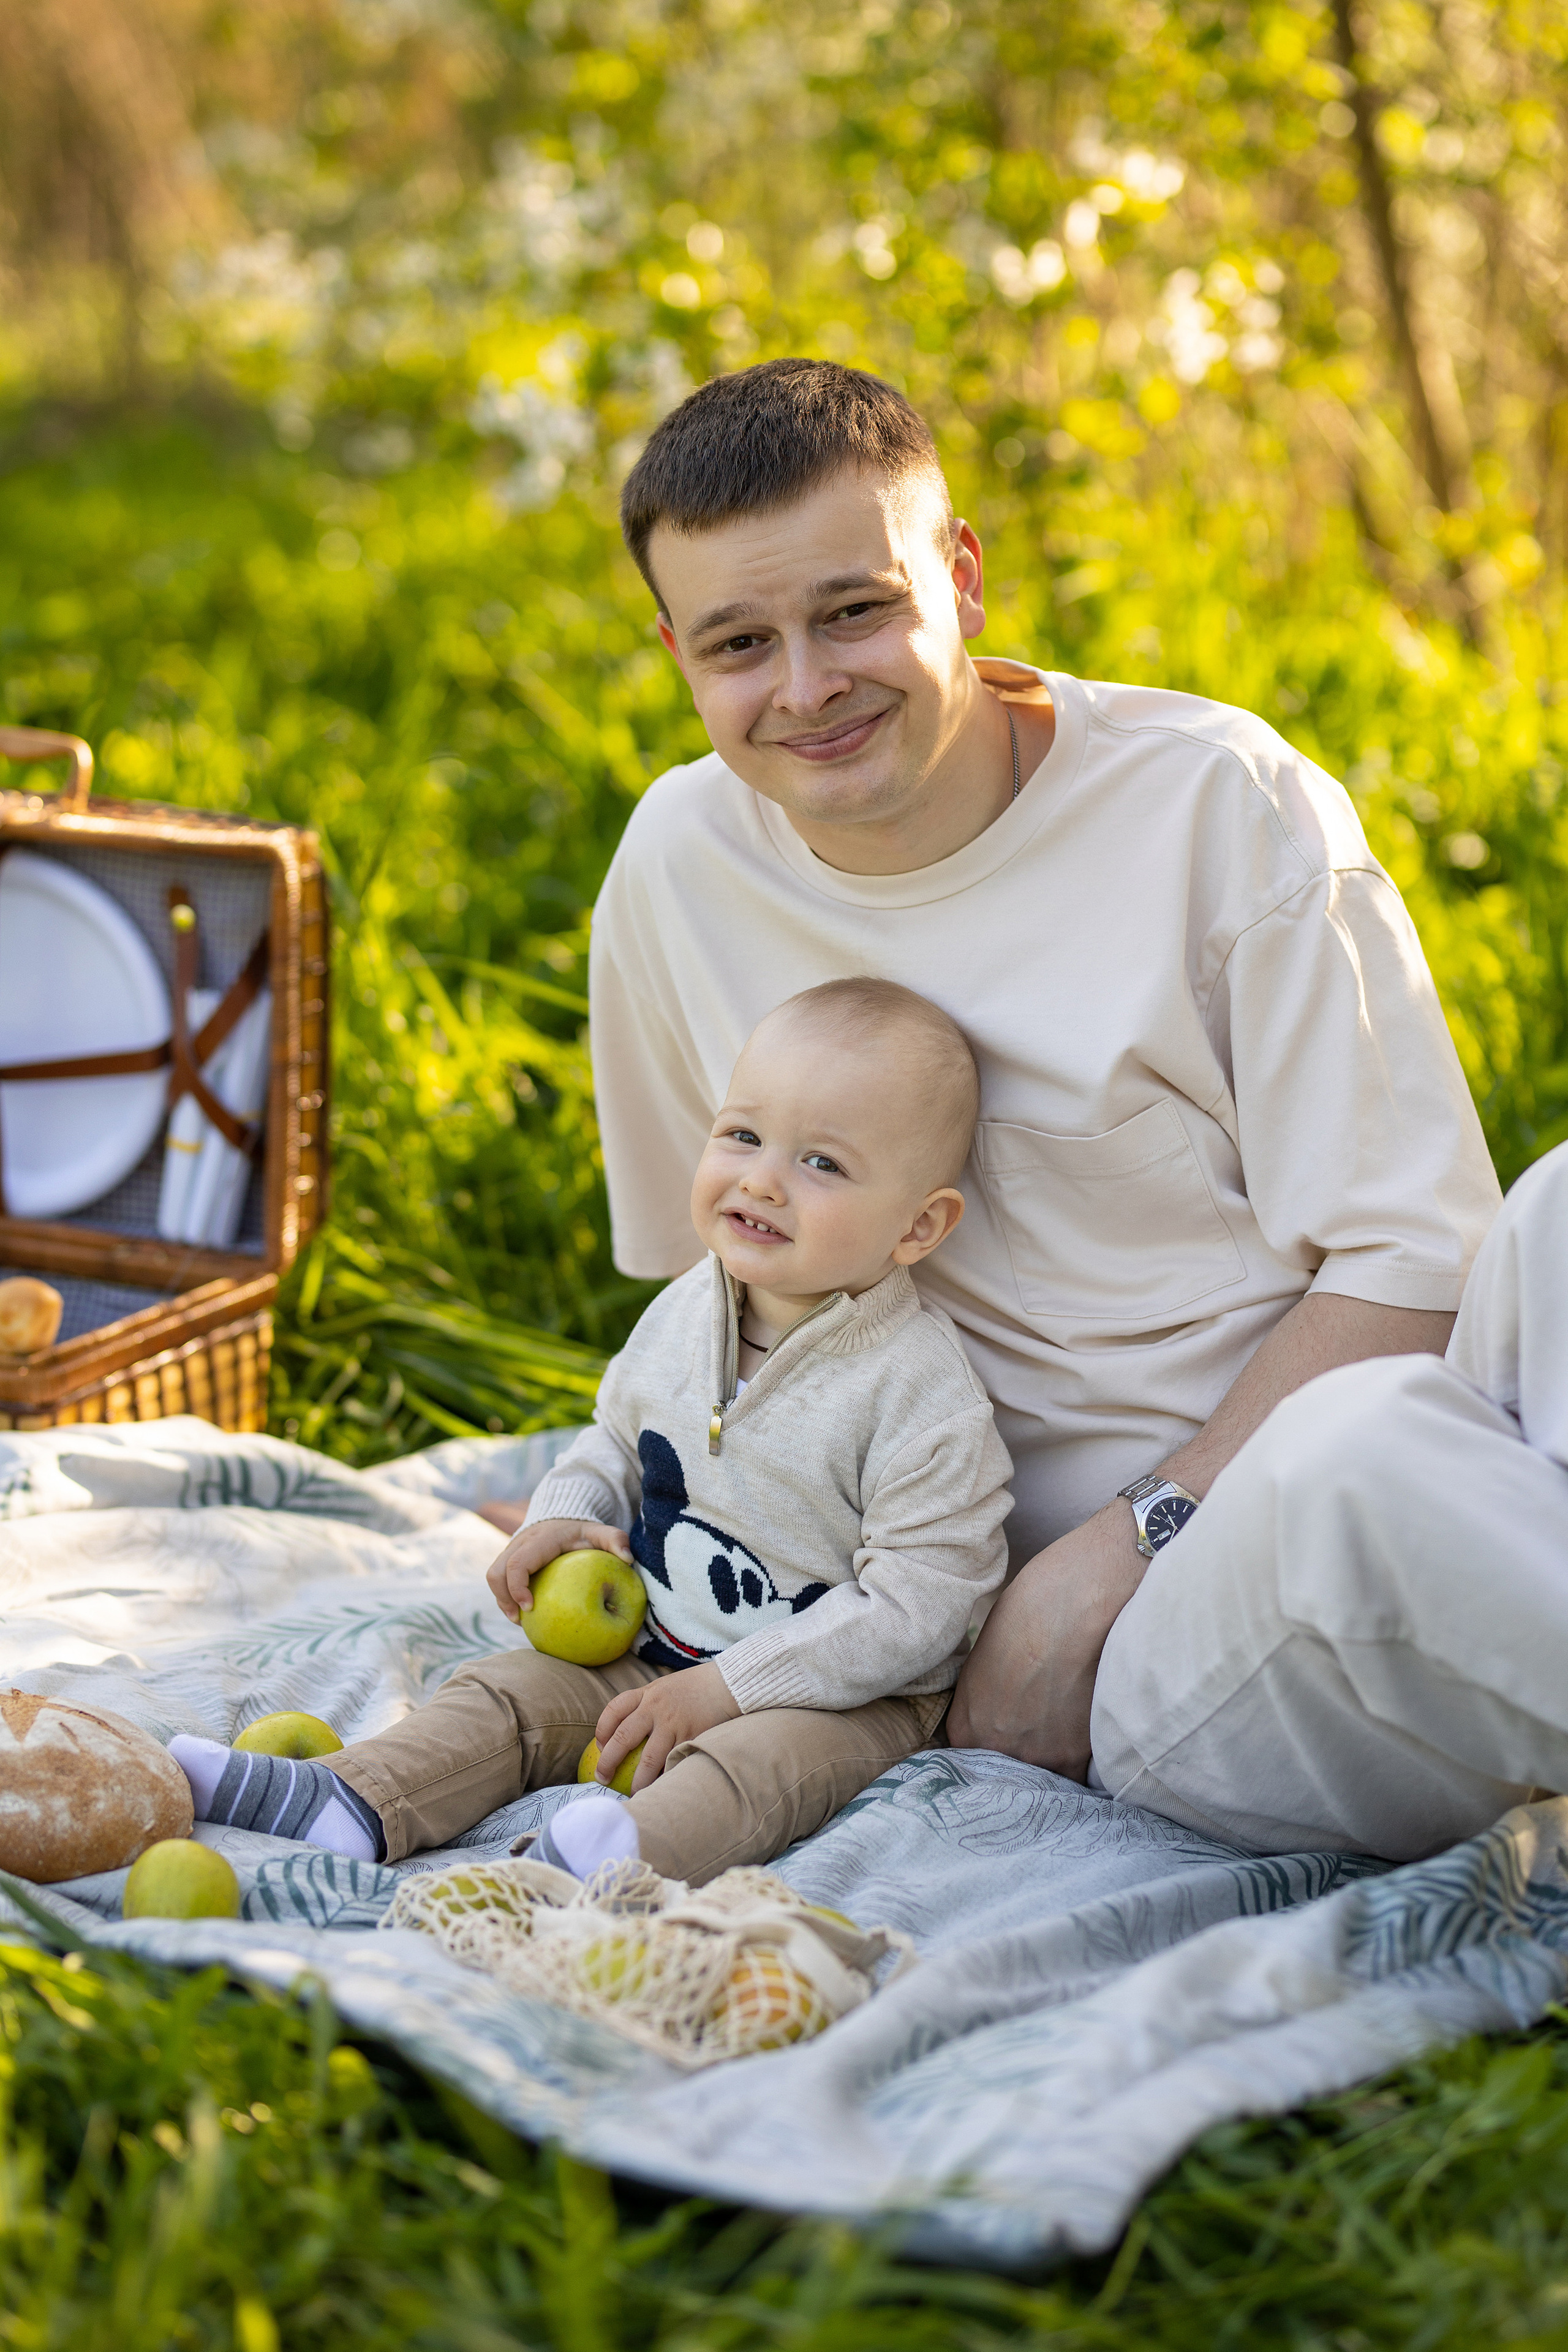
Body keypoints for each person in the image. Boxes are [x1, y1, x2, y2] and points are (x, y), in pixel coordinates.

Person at [587, 353, 1502, 1807]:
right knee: (1376, 1491)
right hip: (1005, 1613)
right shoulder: (677, 866)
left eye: (854, 610)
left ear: (958, 574)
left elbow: (1419, 1258)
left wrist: (1120, 1545)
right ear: (675, 654)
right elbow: (694, 1296)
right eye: (737, 644)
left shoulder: (1215, 803)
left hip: (1234, 1491)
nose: (807, 689)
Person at [170, 978, 1013, 1884]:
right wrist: (560, 1515)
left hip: (839, 1696)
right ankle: (353, 1799)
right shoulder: (691, 1309)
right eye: (743, 1135)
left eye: (823, 1164)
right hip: (653, 1640)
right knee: (506, 1696)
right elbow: (614, 1438)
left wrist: (730, 1691)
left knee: (750, 1772)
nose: (762, 1178)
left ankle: (608, 1865)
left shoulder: (920, 1395)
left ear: (919, 1226)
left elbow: (921, 1608)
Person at [1090, 1141, 1568, 1859]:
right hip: (1182, 1673)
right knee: (1357, 1465)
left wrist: (1139, 1524)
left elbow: (1418, 1259)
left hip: (1232, 1556)